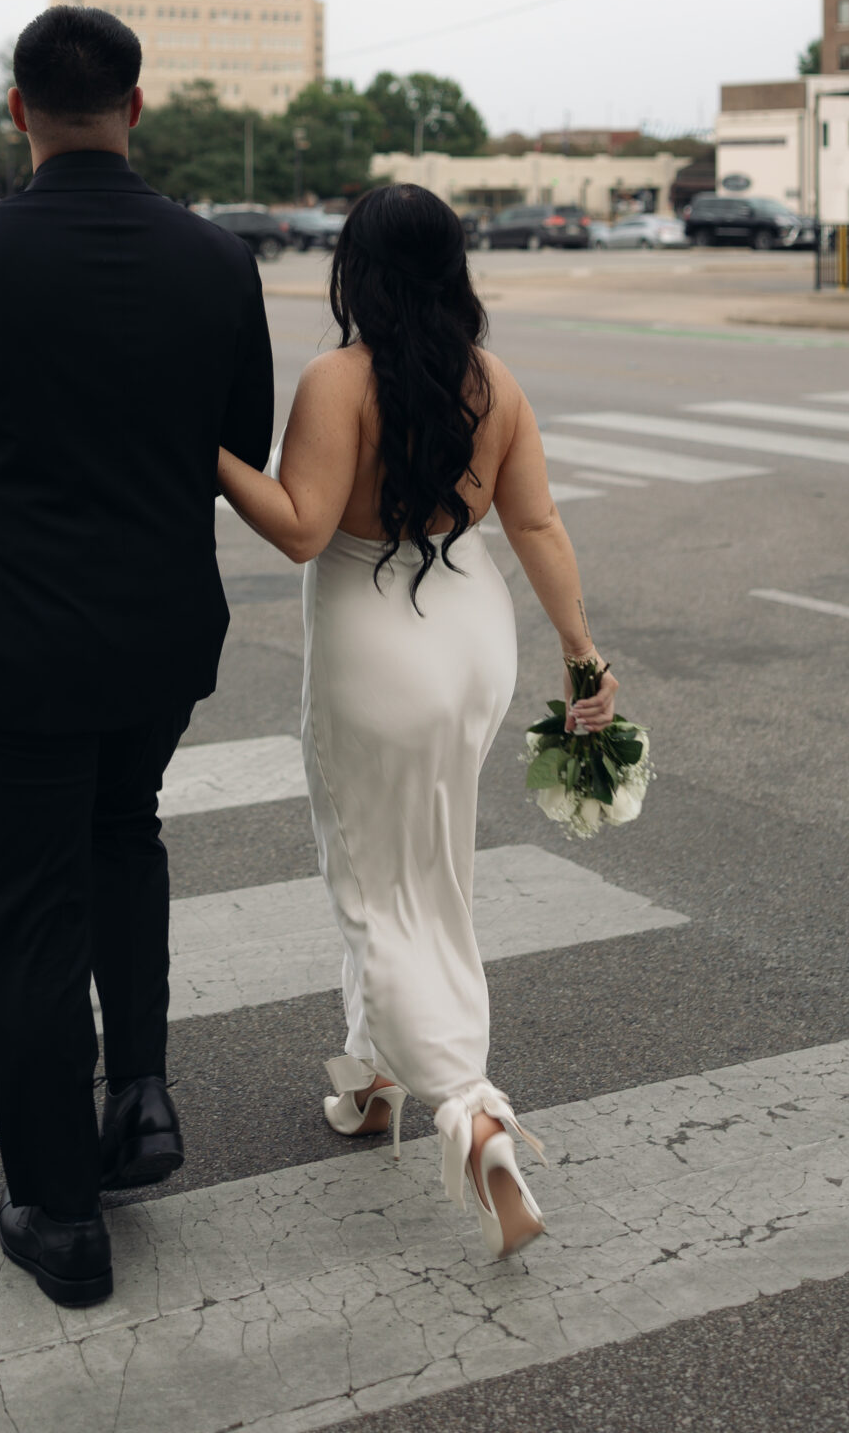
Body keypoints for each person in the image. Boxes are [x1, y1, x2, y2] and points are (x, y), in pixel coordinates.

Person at [0, 7, 274, 1309]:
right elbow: (234, 435)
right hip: (156, 625)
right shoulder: (215, 260)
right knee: (122, 833)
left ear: (14, 110)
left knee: (27, 905)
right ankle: (136, 1095)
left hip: (10, 633)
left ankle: (59, 1211)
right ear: (136, 109)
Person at [215, 181, 617, 1259]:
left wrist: (208, 454)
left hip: (375, 642)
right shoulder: (496, 384)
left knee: (370, 880)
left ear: (357, 269)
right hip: (473, 637)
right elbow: (533, 519)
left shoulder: (338, 379)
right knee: (424, 866)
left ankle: (471, 1110)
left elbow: (302, 530)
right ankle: (371, 1084)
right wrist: (584, 654)